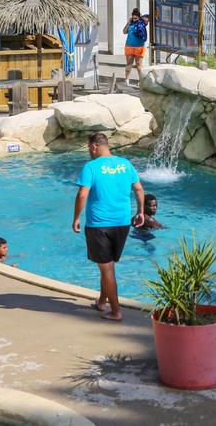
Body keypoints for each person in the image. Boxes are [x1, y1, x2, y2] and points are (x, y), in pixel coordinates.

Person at [73, 132, 145, 322]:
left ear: (94, 146)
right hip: (122, 223)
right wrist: (140, 212)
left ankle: (115, 311)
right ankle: (101, 302)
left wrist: (76, 217)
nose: (89, 152)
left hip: (99, 225)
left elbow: (82, 195)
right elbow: (138, 189)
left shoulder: (91, 167)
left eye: (89, 148)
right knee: (108, 265)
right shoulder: (125, 164)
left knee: (107, 269)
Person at [122, 8, 148, 84]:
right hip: (129, 46)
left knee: (139, 65)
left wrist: (142, 19)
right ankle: (127, 80)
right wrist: (128, 22)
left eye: (136, 18)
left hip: (139, 47)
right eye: (133, 18)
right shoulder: (130, 24)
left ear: (139, 17)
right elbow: (124, 31)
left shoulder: (142, 23)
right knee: (129, 64)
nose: (134, 19)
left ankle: (141, 81)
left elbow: (148, 18)